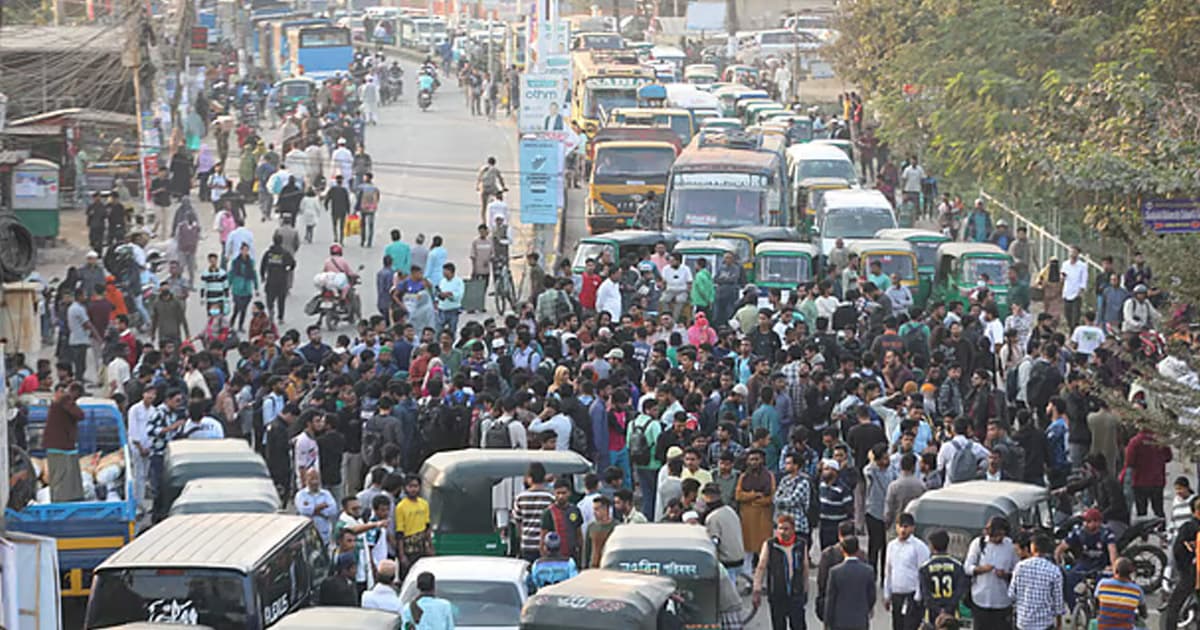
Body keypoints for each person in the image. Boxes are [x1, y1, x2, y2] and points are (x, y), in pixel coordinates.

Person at [752, 514, 809, 630]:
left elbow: (805, 568)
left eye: (786, 529)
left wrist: (805, 590)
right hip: (777, 594)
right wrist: (757, 589)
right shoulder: (770, 545)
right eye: (780, 528)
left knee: (799, 625)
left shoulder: (801, 545)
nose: (783, 532)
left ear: (793, 529)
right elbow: (761, 567)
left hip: (796, 593)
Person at [963, 516, 1018, 630]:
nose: (998, 538)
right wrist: (982, 569)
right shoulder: (978, 544)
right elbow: (967, 567)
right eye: (996, 536)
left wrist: (1005, 575)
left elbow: (1017, 571)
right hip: (980, 599)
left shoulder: (1010, 546)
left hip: (1002, 600)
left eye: (1001, 535)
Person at [1008, 533, 1066, 630]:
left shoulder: (1020, 566)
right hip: (1044, 624)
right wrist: (1059, 623)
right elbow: (1058, 603)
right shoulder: (1054, 570)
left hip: (1023, 623)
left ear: (1033, 548)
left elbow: (1012, 594)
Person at [884, 513, 931, 630]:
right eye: (900, 526)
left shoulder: (919, 547)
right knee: (897, 625)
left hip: (912, 596)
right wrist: (887, 594)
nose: (902, 530)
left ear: (912, 528)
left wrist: (918, 596)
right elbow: (888, 571)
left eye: (906, 526)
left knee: (910, 626)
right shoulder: (891, 546)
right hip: (897, 595)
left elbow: (923, 572)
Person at [43, 382, 86, 501]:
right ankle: (60, 502)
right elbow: (80, 415)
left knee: (61, 476)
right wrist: (70, 399)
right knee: (61, 477)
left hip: (62, 446)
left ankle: (62, 500)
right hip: (60, 446)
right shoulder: (65, 400)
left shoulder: (61, 402)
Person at [824, 535, 877, 630]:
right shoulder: (868, 571)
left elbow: (830, 599)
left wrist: (827, 622)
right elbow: (872, 596)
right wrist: (865, 608)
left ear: (842, 550)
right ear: (858, 550)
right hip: (860, 620)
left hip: (840, 621)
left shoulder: (835, 572)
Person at [917, 529, 968, 624]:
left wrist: (938, 610)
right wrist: (947, 609)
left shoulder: (925, 568)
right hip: (952, 611)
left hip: (932, 613)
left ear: (931, 546)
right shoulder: (957, 566)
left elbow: (925, 593)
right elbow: (960, 591)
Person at [1164, 496, 1200, 628]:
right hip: (1193, 572)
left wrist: (1183, 569)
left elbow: (1178, 550)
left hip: (1190, 573)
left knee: (1174, 605)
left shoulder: (1188, 527)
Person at [514, 462, 555, 562]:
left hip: (527, 545)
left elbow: (518, 524)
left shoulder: (520, 498)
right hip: (546, 545)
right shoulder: (550, 498)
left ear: (530, 478)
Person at [1092, 557, 1144, 630]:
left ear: (1116, 571)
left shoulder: (1103, 584)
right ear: (1130, 573)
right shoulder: (1137, 590)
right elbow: (1143, 611)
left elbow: (1096, 601)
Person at [395, 475, 432, 568]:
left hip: (421, 545)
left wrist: (430, 546)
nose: (413, 489)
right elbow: (399, 533)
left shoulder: (424, 504)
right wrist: (402, 555)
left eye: (415, 486)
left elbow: (427, 527)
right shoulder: (401, 507)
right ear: (405, 488)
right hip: (408, 546)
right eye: (410, 486)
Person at [295, 467, 337, 544]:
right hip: (307, 534)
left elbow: (333, 510)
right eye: (312, 478)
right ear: (306, 479)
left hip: (324, 533)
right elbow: (303, 510)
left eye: (316, 478)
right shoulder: (301, 495)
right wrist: (321, 507)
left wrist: (312, 511)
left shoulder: (326, 494)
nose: (314, 482)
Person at [584, 494, 616, 568]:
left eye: (597, 509)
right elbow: (587, 550)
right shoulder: (591, 527)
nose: (594, 512)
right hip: (593, 567)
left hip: (609, 566)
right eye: (594, 509)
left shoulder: (616, 527)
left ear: (605, 509)